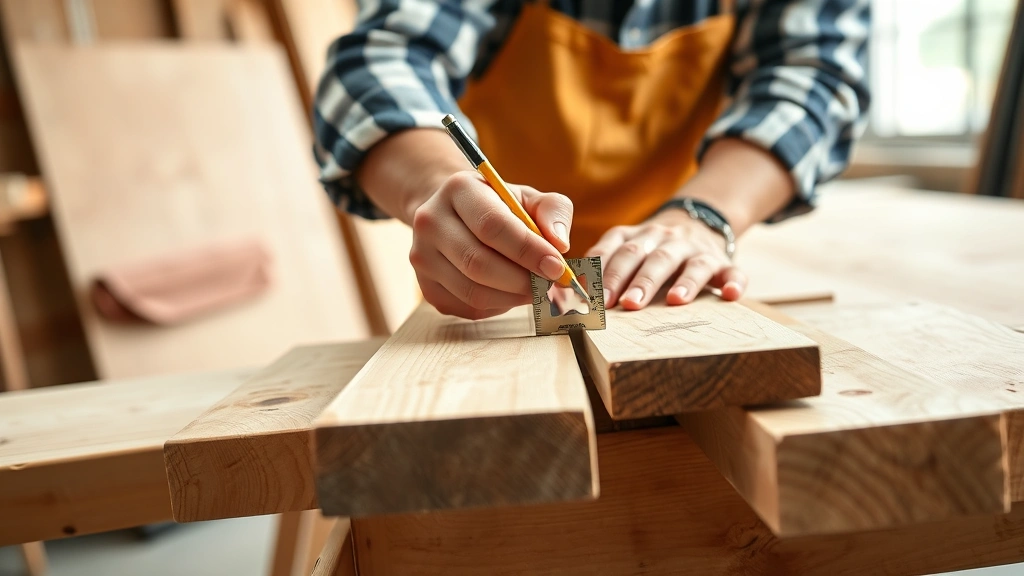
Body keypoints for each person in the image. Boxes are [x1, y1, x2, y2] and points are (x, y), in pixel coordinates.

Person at [313, 0, 869, 320]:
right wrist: (437, 185)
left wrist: (702, 219)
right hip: (485, 290)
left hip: (675, 288)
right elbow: (377, 62)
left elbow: (814, 78)